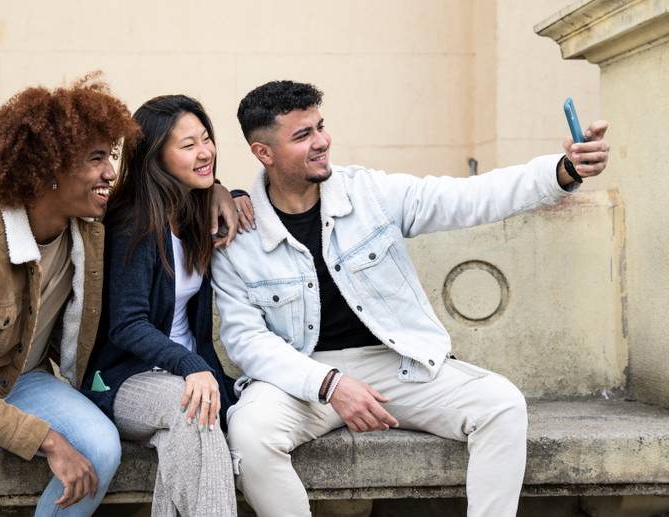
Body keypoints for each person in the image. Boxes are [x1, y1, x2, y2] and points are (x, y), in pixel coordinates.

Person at [211, 80, 610, 517]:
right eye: (302, 135)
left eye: (320, 127)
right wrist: (328, 384)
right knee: (250, 437)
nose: (322, 142)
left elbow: (469, 198)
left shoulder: (369, 193)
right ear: (263, 153)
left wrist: (562, 171)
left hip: (394, 362)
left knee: (501, 405)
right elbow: (247, 341)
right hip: (300, 377)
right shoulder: (237, 236)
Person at [0, 75, 242, 516]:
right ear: (50, 172)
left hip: (19, 377)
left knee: (100, 447)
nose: (110, 172)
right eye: (96, 159)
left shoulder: (89, 220)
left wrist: (221, 191)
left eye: (109, 157)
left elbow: (159, 186)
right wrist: (49, 441)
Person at [83, 94, 249, 517]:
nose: (205, 151)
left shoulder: (194, 210)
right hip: (123, 380)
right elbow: (127, 324)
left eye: (206, 139)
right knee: (195, 413)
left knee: (191, 433)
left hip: (189, 375)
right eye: (188, 145)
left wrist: (227, 190)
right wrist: (191, 366)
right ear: (155, 158)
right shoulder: (134, 223)